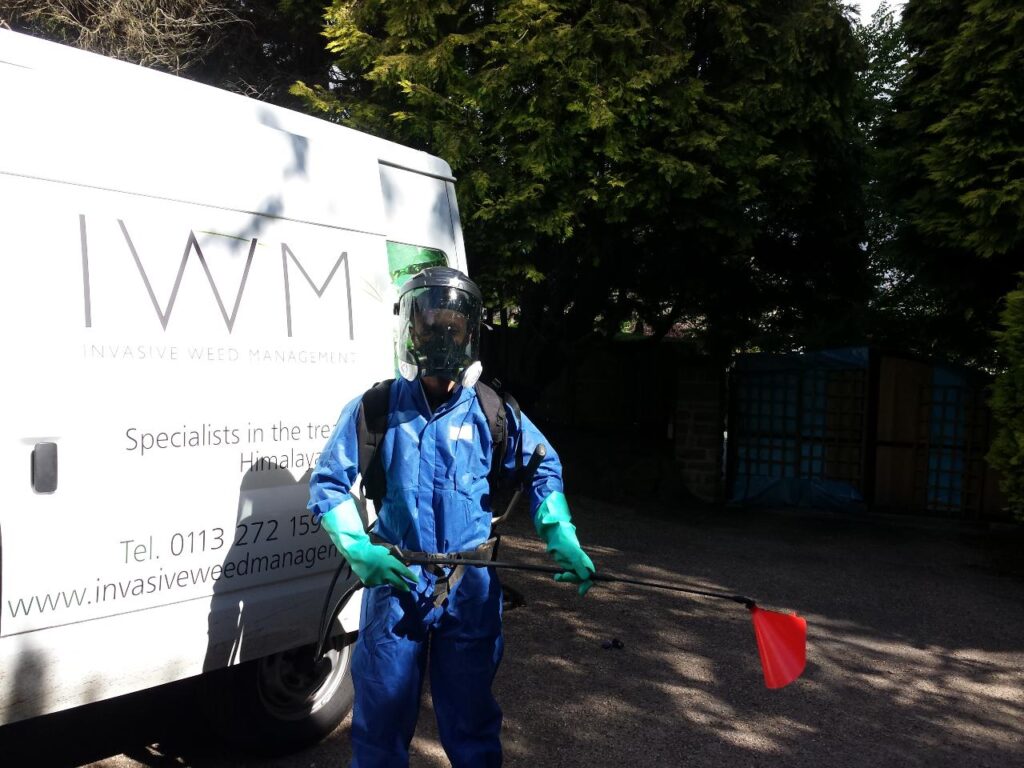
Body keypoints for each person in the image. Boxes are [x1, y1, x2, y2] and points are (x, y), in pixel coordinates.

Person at [308, 266, 595, 767]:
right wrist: (359, 549)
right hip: (397, 583)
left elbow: (541, 464)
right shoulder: (376, 408)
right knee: (380, 725)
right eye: (429, 324)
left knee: (472, 724)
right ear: (409, 329)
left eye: (453, 327)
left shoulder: (491, 410)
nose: (441, 336)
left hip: (473, 588)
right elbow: (330, 481)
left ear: (470, 332)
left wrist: (561, 534)